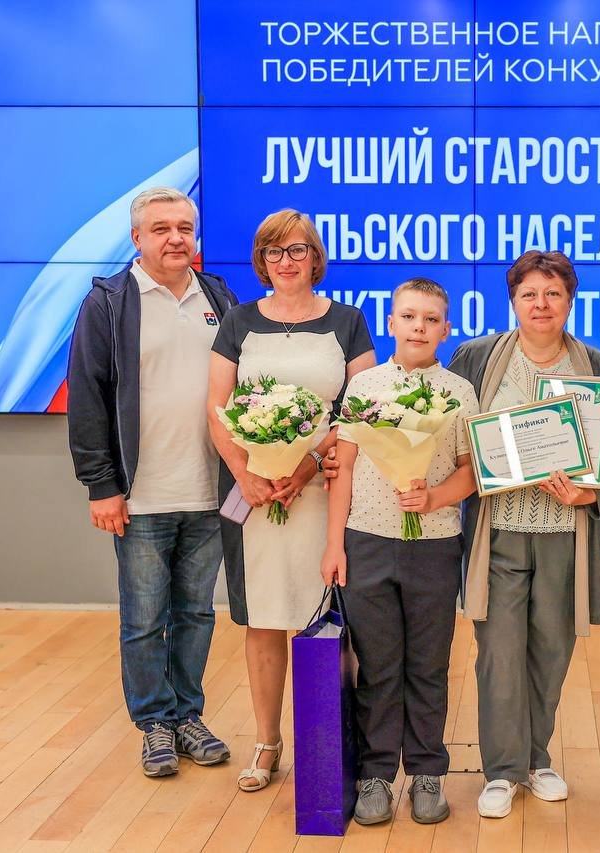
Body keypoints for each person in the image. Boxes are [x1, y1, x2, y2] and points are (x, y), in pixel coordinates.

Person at [448, 250, 600, 819]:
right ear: (513, 300)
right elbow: (451, 432)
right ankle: (501, 771)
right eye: (529, 294)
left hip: (564, 534)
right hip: (499, 533)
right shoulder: (478, 357)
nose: (541, 304)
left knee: (551, 652)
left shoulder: (599, 368)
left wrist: (592, 497)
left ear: (570, 301)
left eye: (553, 294)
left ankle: (536, 760)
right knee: (499, 655)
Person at [67, 186, 236, 777]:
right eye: (161, 229)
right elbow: (87, 399)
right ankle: (155, 725)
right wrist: (101, 485)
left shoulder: (218, 297)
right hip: (139, 498)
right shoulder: (109, 304)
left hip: (210, 492)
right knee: (143, 622)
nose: (175, 238)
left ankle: (188, 715)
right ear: (137, 238)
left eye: (184, 227)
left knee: (197, 615)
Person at [206, 209, 376, 791]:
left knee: (320, 616)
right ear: (262, 260)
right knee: (265, 617)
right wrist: (244, 473)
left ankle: (325, 744)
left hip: (325, 488)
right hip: (255, 496)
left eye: (297, 249)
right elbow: (217, 409)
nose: (286, 261)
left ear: (315, 257)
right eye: (274, 251)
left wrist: (304, 466)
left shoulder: (347, 321)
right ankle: (266, 742)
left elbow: (358, 407)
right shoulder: (238, 322)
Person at [320, 277, 479, 826]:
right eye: (409, 316)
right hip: (366, 541)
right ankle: (376, 774)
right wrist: (334, 544)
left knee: (429, 666)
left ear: (446, 329)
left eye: (431, 319)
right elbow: (341, 471)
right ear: (390, 323)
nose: (419, 327)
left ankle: (428, 772)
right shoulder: (364, 387)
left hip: (434, 545)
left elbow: (472, 471)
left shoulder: (459, 392)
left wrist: (433, 497)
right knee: (379, 665)